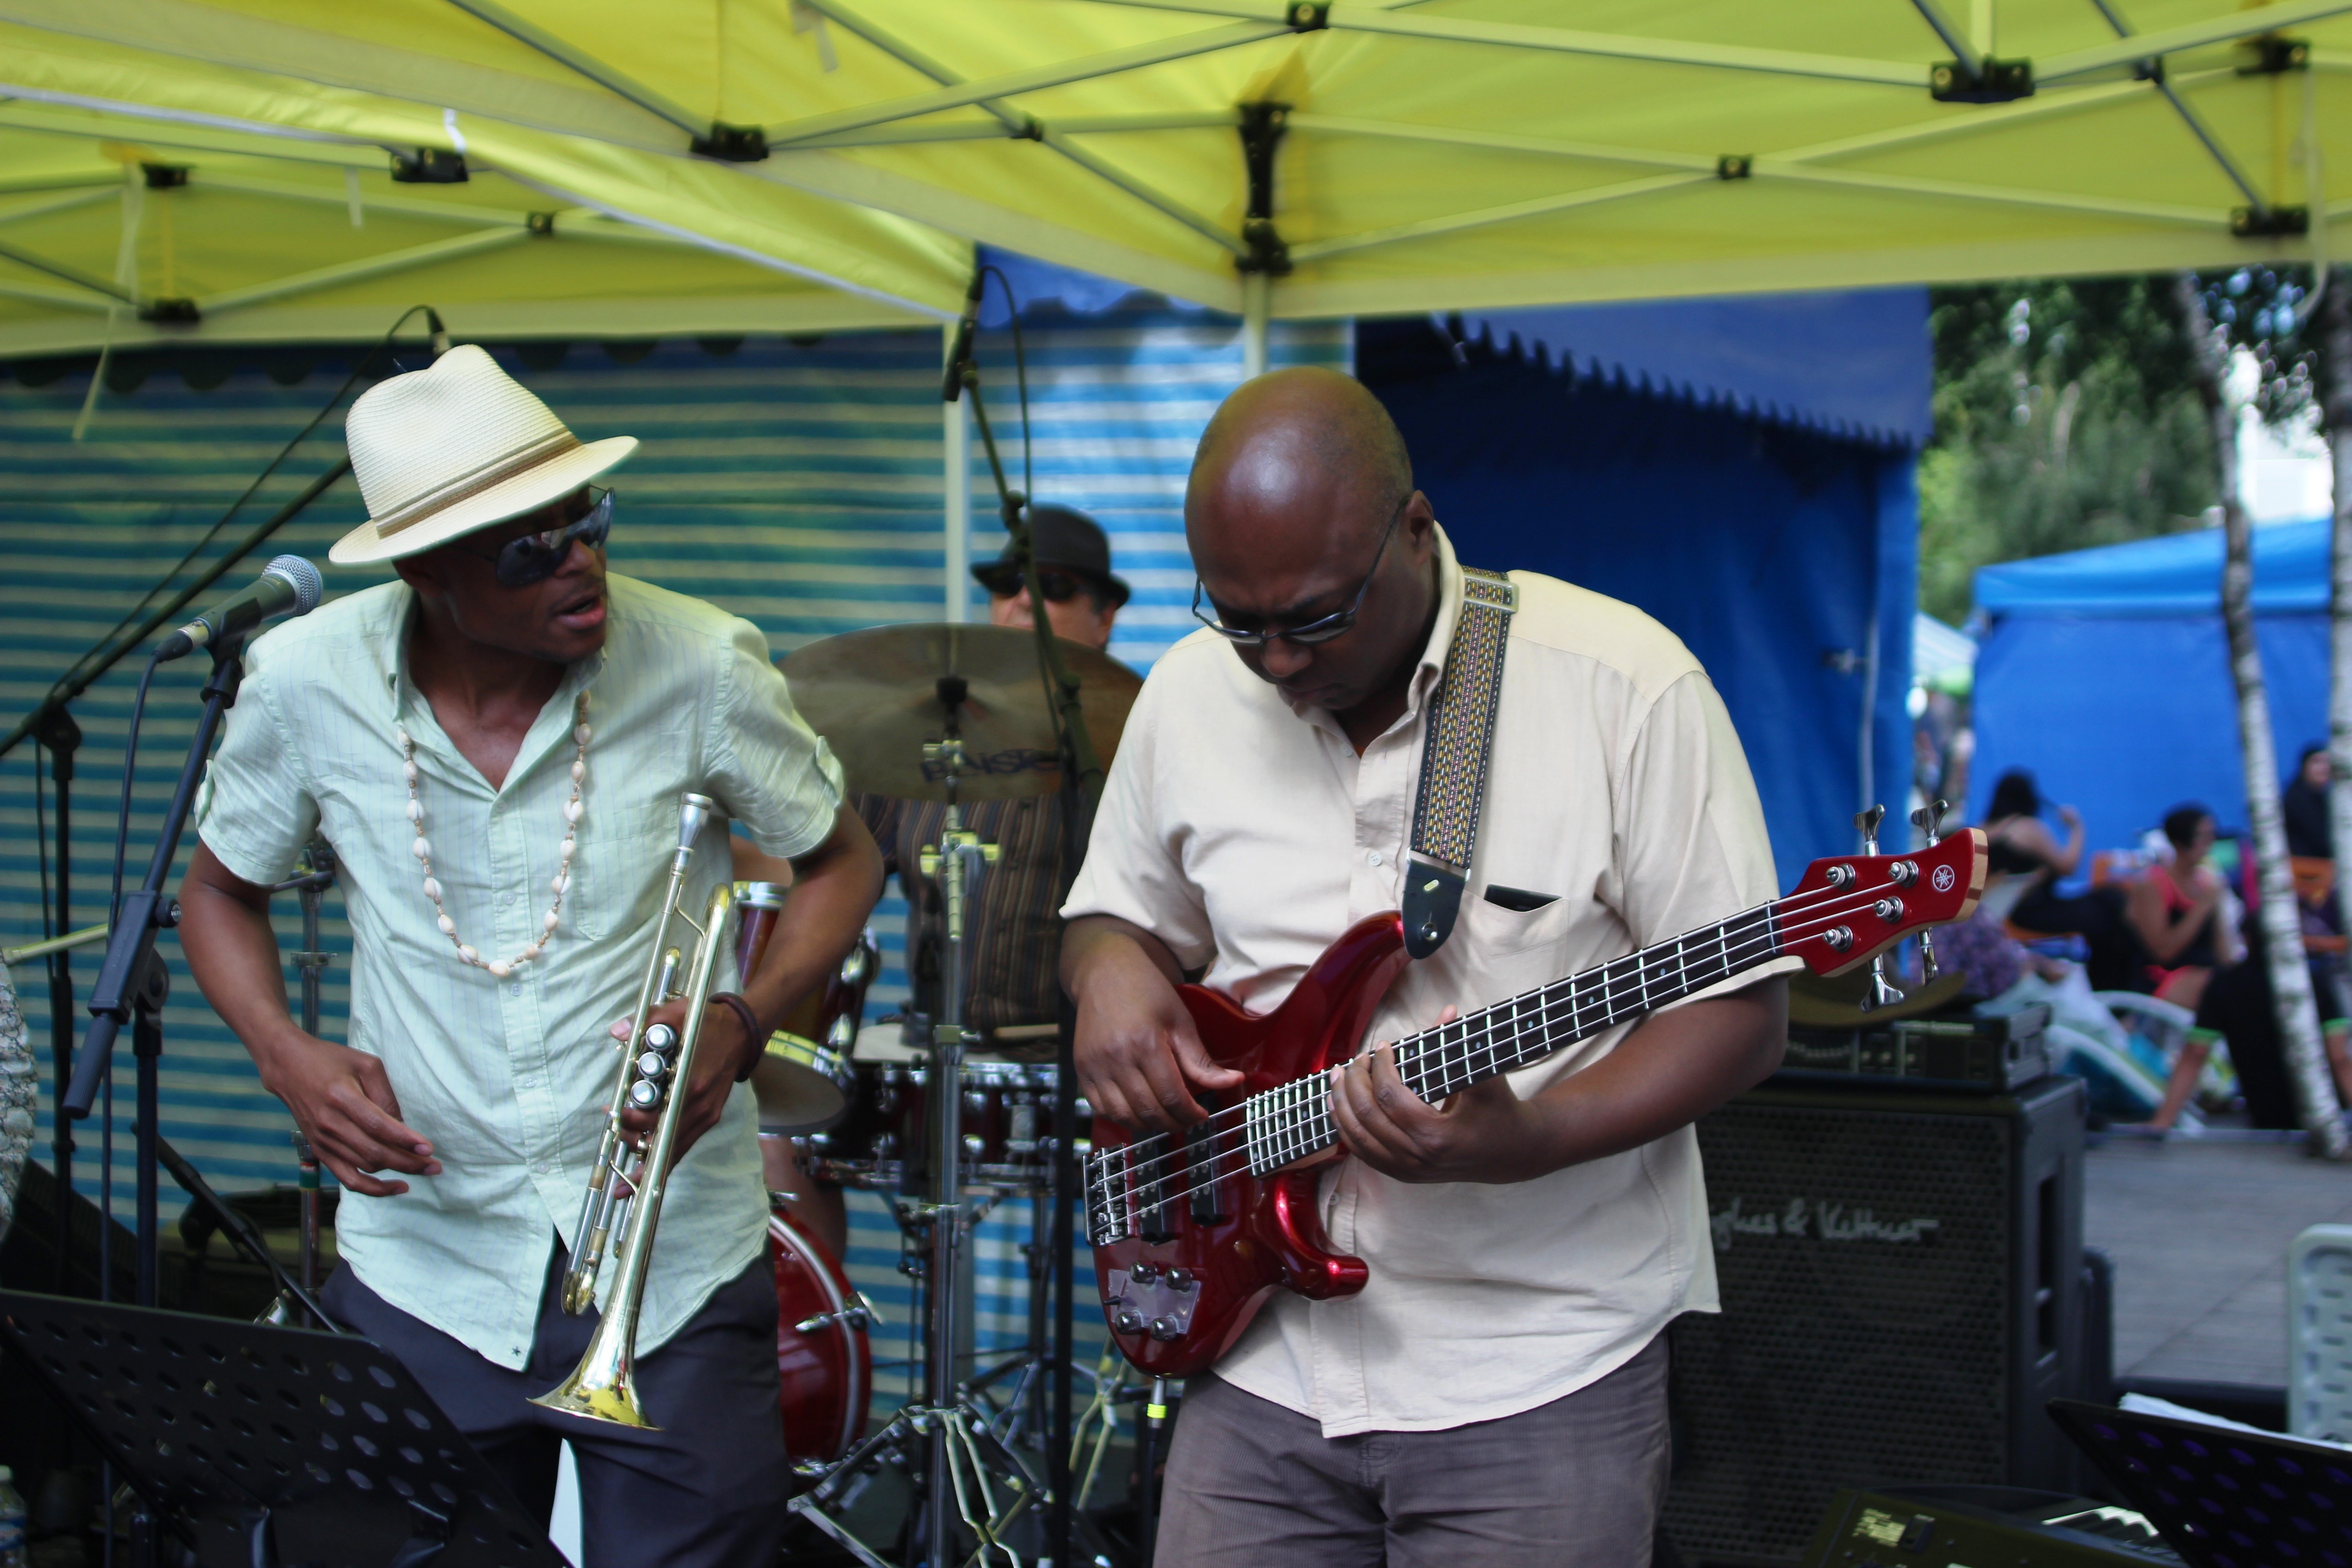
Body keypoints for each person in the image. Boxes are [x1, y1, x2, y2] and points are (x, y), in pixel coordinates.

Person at [1061, 367, 1792, 1566]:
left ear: (1416, 530)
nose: (1277, 663)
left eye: (1314, 618)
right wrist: (1105, 971)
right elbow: (1115, 919)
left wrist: (1537, 1137)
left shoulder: (1624, 685)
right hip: (1258, 1361)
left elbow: (1741, 1014)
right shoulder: (1191, 692)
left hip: (1535, 1369)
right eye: (1237, 621)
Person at [175, 345, 884, 1567]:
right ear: (423, 573)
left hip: (674, 1273)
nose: (581, 560)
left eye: (588, 519)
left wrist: (747, 1017)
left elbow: (842, 860)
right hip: (427, 1266)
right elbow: (216, 892)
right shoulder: (301, 682)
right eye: (528, 547)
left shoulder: (704, 661)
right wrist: (284, 1056)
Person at [855, 505, 1127, 1044]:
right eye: (1006, 586)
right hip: (934, 1063)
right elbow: (834, 871)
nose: (1023, 601)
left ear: (1106, 618)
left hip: (1084, 1074)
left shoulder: (1146, 743)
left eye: (1051, 586)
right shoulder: (926, 736)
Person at [1981, 769, 2147, 992]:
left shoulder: (1984, 829)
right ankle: (2114, 986)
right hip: (2035, 911)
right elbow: (2068, 867)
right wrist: (2077, 828)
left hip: (2008, 910)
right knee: (2109, 911)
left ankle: (2112, 984)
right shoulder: (2027, 828)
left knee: (2107, 899)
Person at [2127, 804, 2235, 1009]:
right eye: (2202, 837)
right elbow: (2163, 952)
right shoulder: (2153, 884)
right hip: (2166, 979)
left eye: (2212, 835)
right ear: (2180, 841)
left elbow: (2223, 955)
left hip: (2205, 974)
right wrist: (2202, 906)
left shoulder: (2208, 883)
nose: (2210, 843)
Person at [2285, 743, 2334, 861]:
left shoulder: (2326, 797)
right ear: (2304, 767)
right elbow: (2321, 840)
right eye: (2317, 762)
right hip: (2305, 868)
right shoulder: (2297, 798)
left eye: (2328, 762)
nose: (2324, 768)